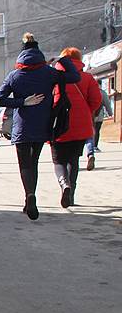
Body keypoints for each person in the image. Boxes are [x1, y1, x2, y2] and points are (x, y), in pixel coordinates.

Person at [0, 33, 80, 220]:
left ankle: (30, 196)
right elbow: (74, 77)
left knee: (25, 164)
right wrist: (63, 59)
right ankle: (29, 199)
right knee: (34, 162)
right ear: (39, 53)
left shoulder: (14, 76)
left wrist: (23, 101)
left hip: (22, 127)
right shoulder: (49, 73)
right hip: (42, 126)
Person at [50, 47, 100, 207]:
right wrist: (86, 112)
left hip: (57, 124)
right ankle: (71, 196)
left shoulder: (53, 77)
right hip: (80, 125)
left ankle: (64, 184)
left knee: (58, 161)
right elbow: (96, 100)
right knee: (73, 160)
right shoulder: (86, 77)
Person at [85, 86, 113, 170]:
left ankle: (76, 156)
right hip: (98, 115)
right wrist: (110, 113)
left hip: (87, 115)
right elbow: (107, 103)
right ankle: (93, 149)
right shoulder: (102, 92)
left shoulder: (86, 90)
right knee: (95, 131)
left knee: (87, 134)